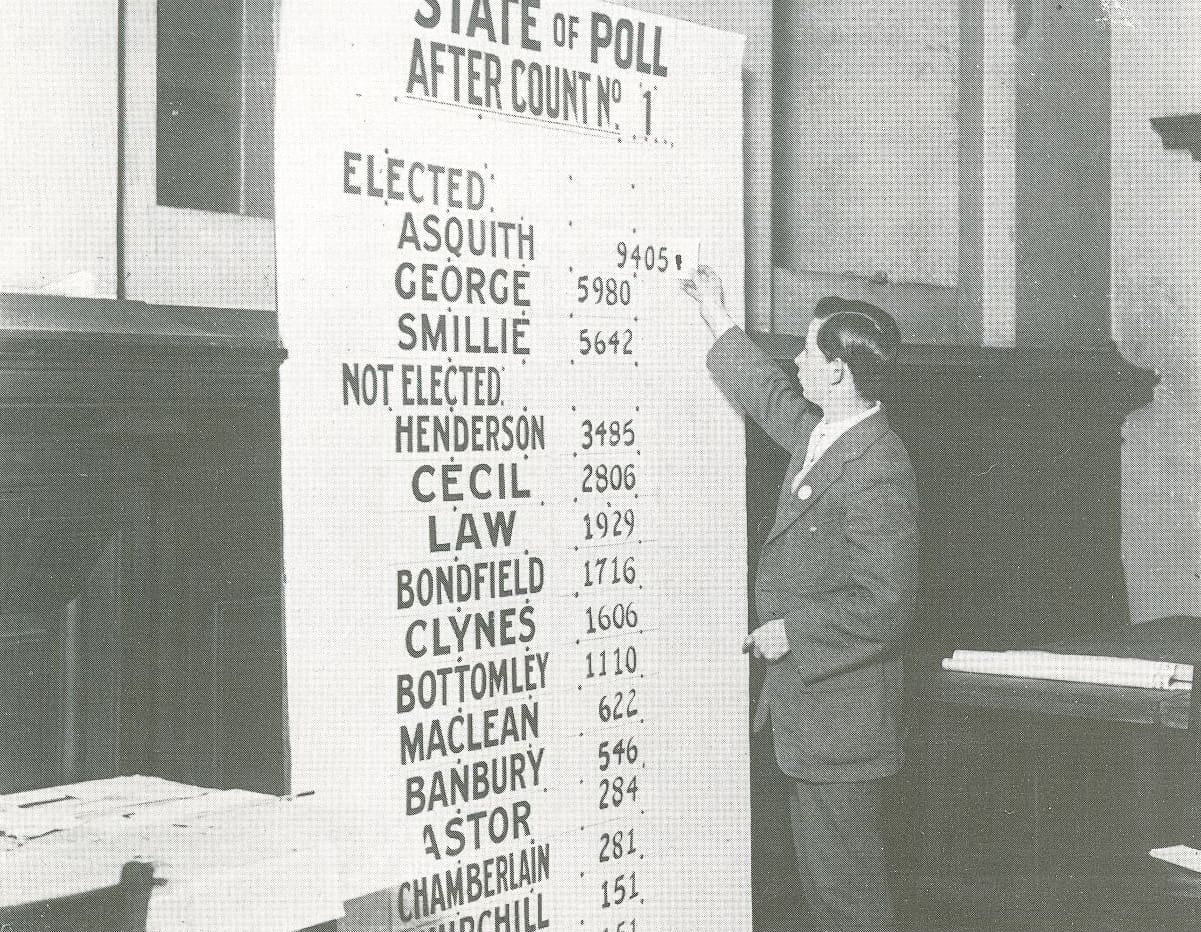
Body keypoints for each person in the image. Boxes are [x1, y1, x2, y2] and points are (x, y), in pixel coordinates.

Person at [683, 266, 918, 932]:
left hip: (842, 728)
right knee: (830, 890)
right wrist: (715, 313)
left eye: (807, 352)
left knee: (847, 900)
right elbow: (768, 395)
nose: (795, 361)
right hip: (814, 720)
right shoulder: (828, 433)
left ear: (838, 372)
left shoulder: (876, 466)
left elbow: (887, 604)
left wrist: (793, 631)